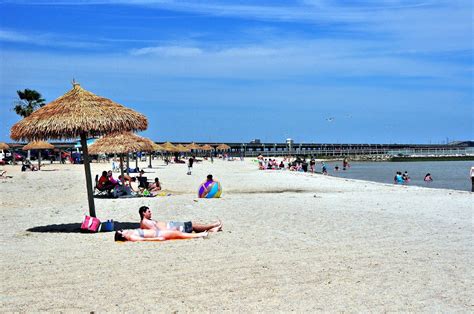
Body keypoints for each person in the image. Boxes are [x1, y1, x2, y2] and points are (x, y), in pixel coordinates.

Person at [138, 206, 222, 233]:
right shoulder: (145, 222)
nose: (150, 213)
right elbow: (157, 231)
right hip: (172, 228)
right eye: (148, 212)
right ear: (143, 213)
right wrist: (172, 230)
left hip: (171, 226)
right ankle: (214, 225)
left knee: (193, 226)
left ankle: (213, 229)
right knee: (192, 225)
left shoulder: (145, 222)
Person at [114, 228, 208, 242]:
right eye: (121, 231)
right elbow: (143, 240)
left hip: (158, 232)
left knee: (177, 233)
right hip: (158, 234)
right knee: (178, 234)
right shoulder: (131, 237)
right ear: (122, 236)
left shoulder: (130, 233)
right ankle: (200, 235)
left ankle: (200, 234)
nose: (123, 230)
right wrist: (157, 239)